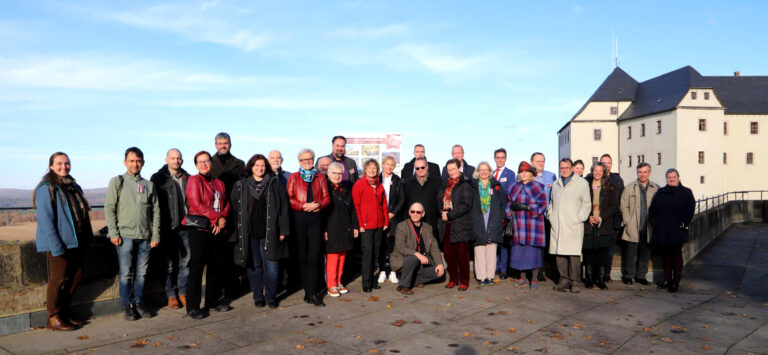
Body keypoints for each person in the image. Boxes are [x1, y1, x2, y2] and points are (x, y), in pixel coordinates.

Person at [34, 152, 94, 330]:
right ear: (51, 166)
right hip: (59, 243)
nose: (64, 167)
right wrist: (56, 246)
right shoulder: (46, 188)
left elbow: (83, 216)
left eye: (67, 163)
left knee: (76, 276)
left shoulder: (74, 186)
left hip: (76, 241)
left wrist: (88, 238)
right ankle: (54, 317)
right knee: (57, 279)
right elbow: (46, 220)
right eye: (59, 163)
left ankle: (64, 312)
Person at [105, 147, 160, 321]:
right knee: (125, 273)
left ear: (143, 163)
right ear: (125, 162)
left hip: (145, 237)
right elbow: (109, 208)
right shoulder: (117, 182)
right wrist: (113, 233)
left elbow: (156, 211)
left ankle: (139, 302)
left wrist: (155, 235)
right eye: (131, 161)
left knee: (142, 273)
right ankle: (128, 305)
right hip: (125, 236)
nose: (135, 164)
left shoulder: (148, 185)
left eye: (138, 161)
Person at [230, 154, 290, 309]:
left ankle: (270, 296)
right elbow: (234, 210)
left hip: (270, 232)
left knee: (271, 264)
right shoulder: (241, 185)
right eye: (256, 165)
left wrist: (284, 229)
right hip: (249, 233)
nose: (260, 168)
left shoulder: (274, 184)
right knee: (254, 265)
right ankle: (258, 296)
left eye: (262, 165)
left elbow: (284, 206)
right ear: (251, 167)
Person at [183, 151, 230, 319]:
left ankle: (212, 301)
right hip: (200, 231)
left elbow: (226, 203)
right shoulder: (194, 180)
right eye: (200, 162)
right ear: (196, 165)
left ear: (211, 163)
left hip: (217, 229)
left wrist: (222, 218)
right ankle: (193, 306)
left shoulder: (219, 183)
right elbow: (196, 204)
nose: (204, 164)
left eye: (206, 161)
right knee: (197, 268)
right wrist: (217, 219)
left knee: (215, 267)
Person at [287, 149, 331, 306]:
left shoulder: (320, 177)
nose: (307, 162)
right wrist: (303, 206)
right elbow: (290, 198)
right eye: (304, 159)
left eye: (310, 159)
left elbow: (327, 198)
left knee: (314, 256)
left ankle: (312, 293)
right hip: (299, 219)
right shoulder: (293, 177)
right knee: (302, 257)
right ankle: (307, 291)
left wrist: (318, 204)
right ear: (299, 161)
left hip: (316, 220)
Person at [150, 148, 190, 310]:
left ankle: (183, 291)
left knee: (186, 261)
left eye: (179, 158)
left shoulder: (188, 177)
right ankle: (171, 295)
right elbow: (153, 204)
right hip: (167, 227)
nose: (176, 161)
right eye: (173, 158)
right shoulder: (158, 178)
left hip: (186, 226)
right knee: (169, 263)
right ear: (166, 159)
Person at [209, 132, 245, 304]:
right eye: (220, 143)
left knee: (233, 253)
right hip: (215, 215)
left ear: (230, 144)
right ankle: (217, 289)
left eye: (226, 143)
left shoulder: (239, 164)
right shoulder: (209, 163)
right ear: (215, 145)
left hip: (234, 213)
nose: (223, 145)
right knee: (217, 254)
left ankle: (232, 288)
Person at [649, 169, 695, 293]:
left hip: (677, 229)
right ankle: (668, 281)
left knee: (677, 256)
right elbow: (652, 209)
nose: (672, 179)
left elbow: (690, 210)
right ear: (666, 178)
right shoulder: (661, 192)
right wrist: (655, 222)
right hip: (663, 229)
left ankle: (676, 282)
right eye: (669, 177)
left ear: (678, 178)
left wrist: (683, 223)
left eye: (674, 177)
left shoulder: (686, 192)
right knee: (666, 257)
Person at [549, 158, 591, 293]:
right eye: (561, 167)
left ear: (572, 168)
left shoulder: (582, 183)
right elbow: (551, 202)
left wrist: (579, 218)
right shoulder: (556, 184)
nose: (564, 170)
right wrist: (550, 215)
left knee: (573, 254)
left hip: (573, 224)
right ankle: (564, 279)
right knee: (559, 253)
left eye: (567, 167)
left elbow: (586, 204)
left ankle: (575, 281)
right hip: (558, 224)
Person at [507, 162, 548, 290]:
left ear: (531, 173)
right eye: (521, 172)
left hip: (533, 223)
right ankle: (522, 278)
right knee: (520, 250)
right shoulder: (513, 186)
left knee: (533, 251)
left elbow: (543, 205)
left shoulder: (538, 186)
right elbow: (508, 203)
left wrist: (527, 207)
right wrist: (509, 212)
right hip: (519, 224)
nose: (523, 174)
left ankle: (534, 279)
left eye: (526, 171)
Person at [352, 159, 390, 292]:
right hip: (366, 226)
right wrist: (360, 224)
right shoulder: (359, 184)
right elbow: (356, 207)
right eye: (369, 167)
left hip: (379, 225)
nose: (372, 170)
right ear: (365, 169)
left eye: (374, 167)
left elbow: (384, 204)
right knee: (368, 254)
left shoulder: (379, 185)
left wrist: (386, 221)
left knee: (376, 253)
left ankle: (373, 280)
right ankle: (366, 283)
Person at [391, 202, 445, 294]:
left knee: (439, 272)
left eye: (418, 212)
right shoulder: (402, 226)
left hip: (421, 261)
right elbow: (401, 247)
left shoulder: (428, 228)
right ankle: (403, 285)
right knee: (413, 258)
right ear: (409, 212)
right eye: (413, 211)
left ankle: (414, 280)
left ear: (423, 214)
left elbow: (434, 247)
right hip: (404, 260)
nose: (415, 214)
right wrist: (417, 254)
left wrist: (440, 264)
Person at [323, 162, 359, 297]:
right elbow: (323, 212)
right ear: (329, 173)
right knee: (333, 256)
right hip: (331, 227)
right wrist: (324, 229)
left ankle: (338, 282)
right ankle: (331, 284)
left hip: (346, 227)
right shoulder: (325, 188)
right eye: (334, 173)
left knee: (342, 255)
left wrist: (355, 226)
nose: (337, 176)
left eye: (340, 174)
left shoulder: (346, 188)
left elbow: (353, 209)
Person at [619, 162, 659, 286]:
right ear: (637, 173)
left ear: (649, 173)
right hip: (633, 225)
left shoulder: (656, 188)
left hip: (648, 226)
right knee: (630, 253)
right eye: (640, 172)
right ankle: (628, 276)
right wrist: (627, 221)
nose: (642, 175)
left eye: (645, 172)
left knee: (645, 253)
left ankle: (641, 276)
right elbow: (623, 205)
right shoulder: (630, 187)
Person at [439, 159, 475, 291]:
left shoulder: (465, 184)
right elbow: (438, 200)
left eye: (454, 169)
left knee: (462, 254)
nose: (451, 172)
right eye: (449, 170)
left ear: (459, 168)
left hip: (461, 224)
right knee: (449, 254)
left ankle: (464, 281)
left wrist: (450, 215)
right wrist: (442, 212)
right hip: (446, 224)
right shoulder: (445, 184)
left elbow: (466, 205)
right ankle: (453, 278)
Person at [582, 162, 619, 290]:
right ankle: (589, 278)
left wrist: (602, 217)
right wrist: (588, 217)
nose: (597, 173)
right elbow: (580, 203)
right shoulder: (585, 185)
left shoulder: (610, 187)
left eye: (600, 170)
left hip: (604, 225)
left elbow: (614, 206)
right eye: (595, 170)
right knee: (589, 254)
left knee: (602, 254)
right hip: (589, 224)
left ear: (604, 172)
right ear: (592, 171)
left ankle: (600, 279)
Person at [471, 162, 505, 286]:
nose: (484, 172)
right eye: (481, 169)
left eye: (486, 170)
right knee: (479, 249)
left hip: (493, 220)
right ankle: (481, 277)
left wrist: (501, 218)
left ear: (490, 171)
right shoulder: (473, 185)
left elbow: (503, 203)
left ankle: (490, 276)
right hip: (478, 220)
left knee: (491, 249)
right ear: (478, 171)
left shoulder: (496, 185)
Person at [399, 157, 442, 245]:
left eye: (422, 167)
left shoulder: (436, 183)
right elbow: (404, 203)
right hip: (413, 224)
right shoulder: (407, 184)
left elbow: (439, 202)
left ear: (427, 167)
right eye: (417, 168)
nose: (420, 170)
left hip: (431, 223)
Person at [378, 156, 404, 284]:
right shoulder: (376, 179)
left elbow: (402, 199)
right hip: (379, 216)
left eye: (392, 165)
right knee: (381, 243)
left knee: (394, 244)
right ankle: (382, 270)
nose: (389, 167)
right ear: (382, 165)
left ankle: (393, 271)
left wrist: (393, 213)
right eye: (387, 164)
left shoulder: (398, 180)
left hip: (393, 217)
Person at [531, 152, 556, 282]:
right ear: (532, 163)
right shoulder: (527, 176)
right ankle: (535, 271)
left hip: (546, 218)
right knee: (535, 246)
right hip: (533, 218)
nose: (541, 163)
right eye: (538, 161)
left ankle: (545, 271)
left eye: (542, 161)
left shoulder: (551, 176)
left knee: (546, 246)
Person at [599, 154, 625, 283]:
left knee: (609, 248)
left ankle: (607, 273)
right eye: (603, 162)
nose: (606, 165)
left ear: (611, 164)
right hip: (598, 218)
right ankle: (598, 273)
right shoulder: (594, 177)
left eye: (608, 163)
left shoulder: (617, 179)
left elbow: (621, 199)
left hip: (613, 219)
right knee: (598, 248)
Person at [492, 148, 516, 279]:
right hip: (491, 212)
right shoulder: (491, 173)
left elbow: (510, 193)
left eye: (502, 157)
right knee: (493, 241)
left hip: (504, 211)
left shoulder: (510, 174)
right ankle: (494, 267)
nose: (500, 159)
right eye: (498, 157)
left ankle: (503, 270)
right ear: (494, 158)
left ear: (505, 159)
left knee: (503, 243)